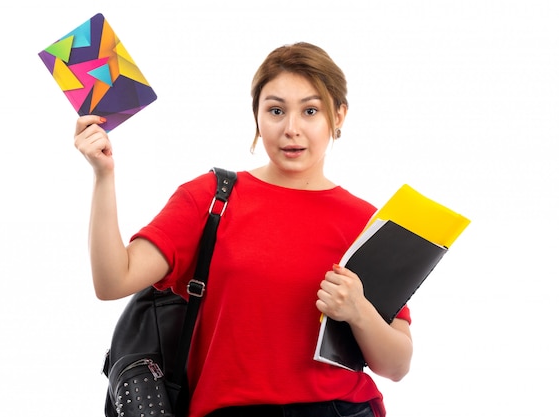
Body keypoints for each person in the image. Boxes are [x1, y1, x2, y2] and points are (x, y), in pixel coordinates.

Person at [74, 42, 413, 417]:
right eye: (276, 110)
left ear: (339, 116)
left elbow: (396, 365)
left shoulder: (367, 223)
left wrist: (359, 311)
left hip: (340, 409)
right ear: (257, 115)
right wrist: (102, 175)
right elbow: (112, 282)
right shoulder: (210, 198)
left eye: (311, 111)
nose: (291, 129)